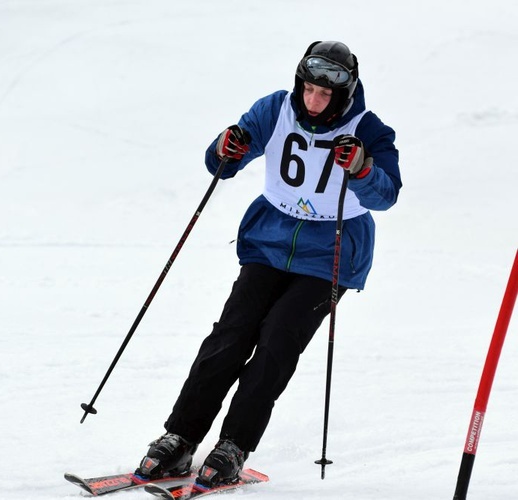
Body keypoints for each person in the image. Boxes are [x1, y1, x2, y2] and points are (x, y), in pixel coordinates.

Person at [135, 41, 401, 486]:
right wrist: (227, 147)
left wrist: (362, 169)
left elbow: (386, 195)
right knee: (230, 334)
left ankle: (234, 445)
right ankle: (180, 437)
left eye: (324, 94)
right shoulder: (274, 109)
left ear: (345, 93)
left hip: (330, 256)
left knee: (278, 339)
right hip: (268, 243)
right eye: (308, 89)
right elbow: (220, 163)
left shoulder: (369, 130)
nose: (313, 101)